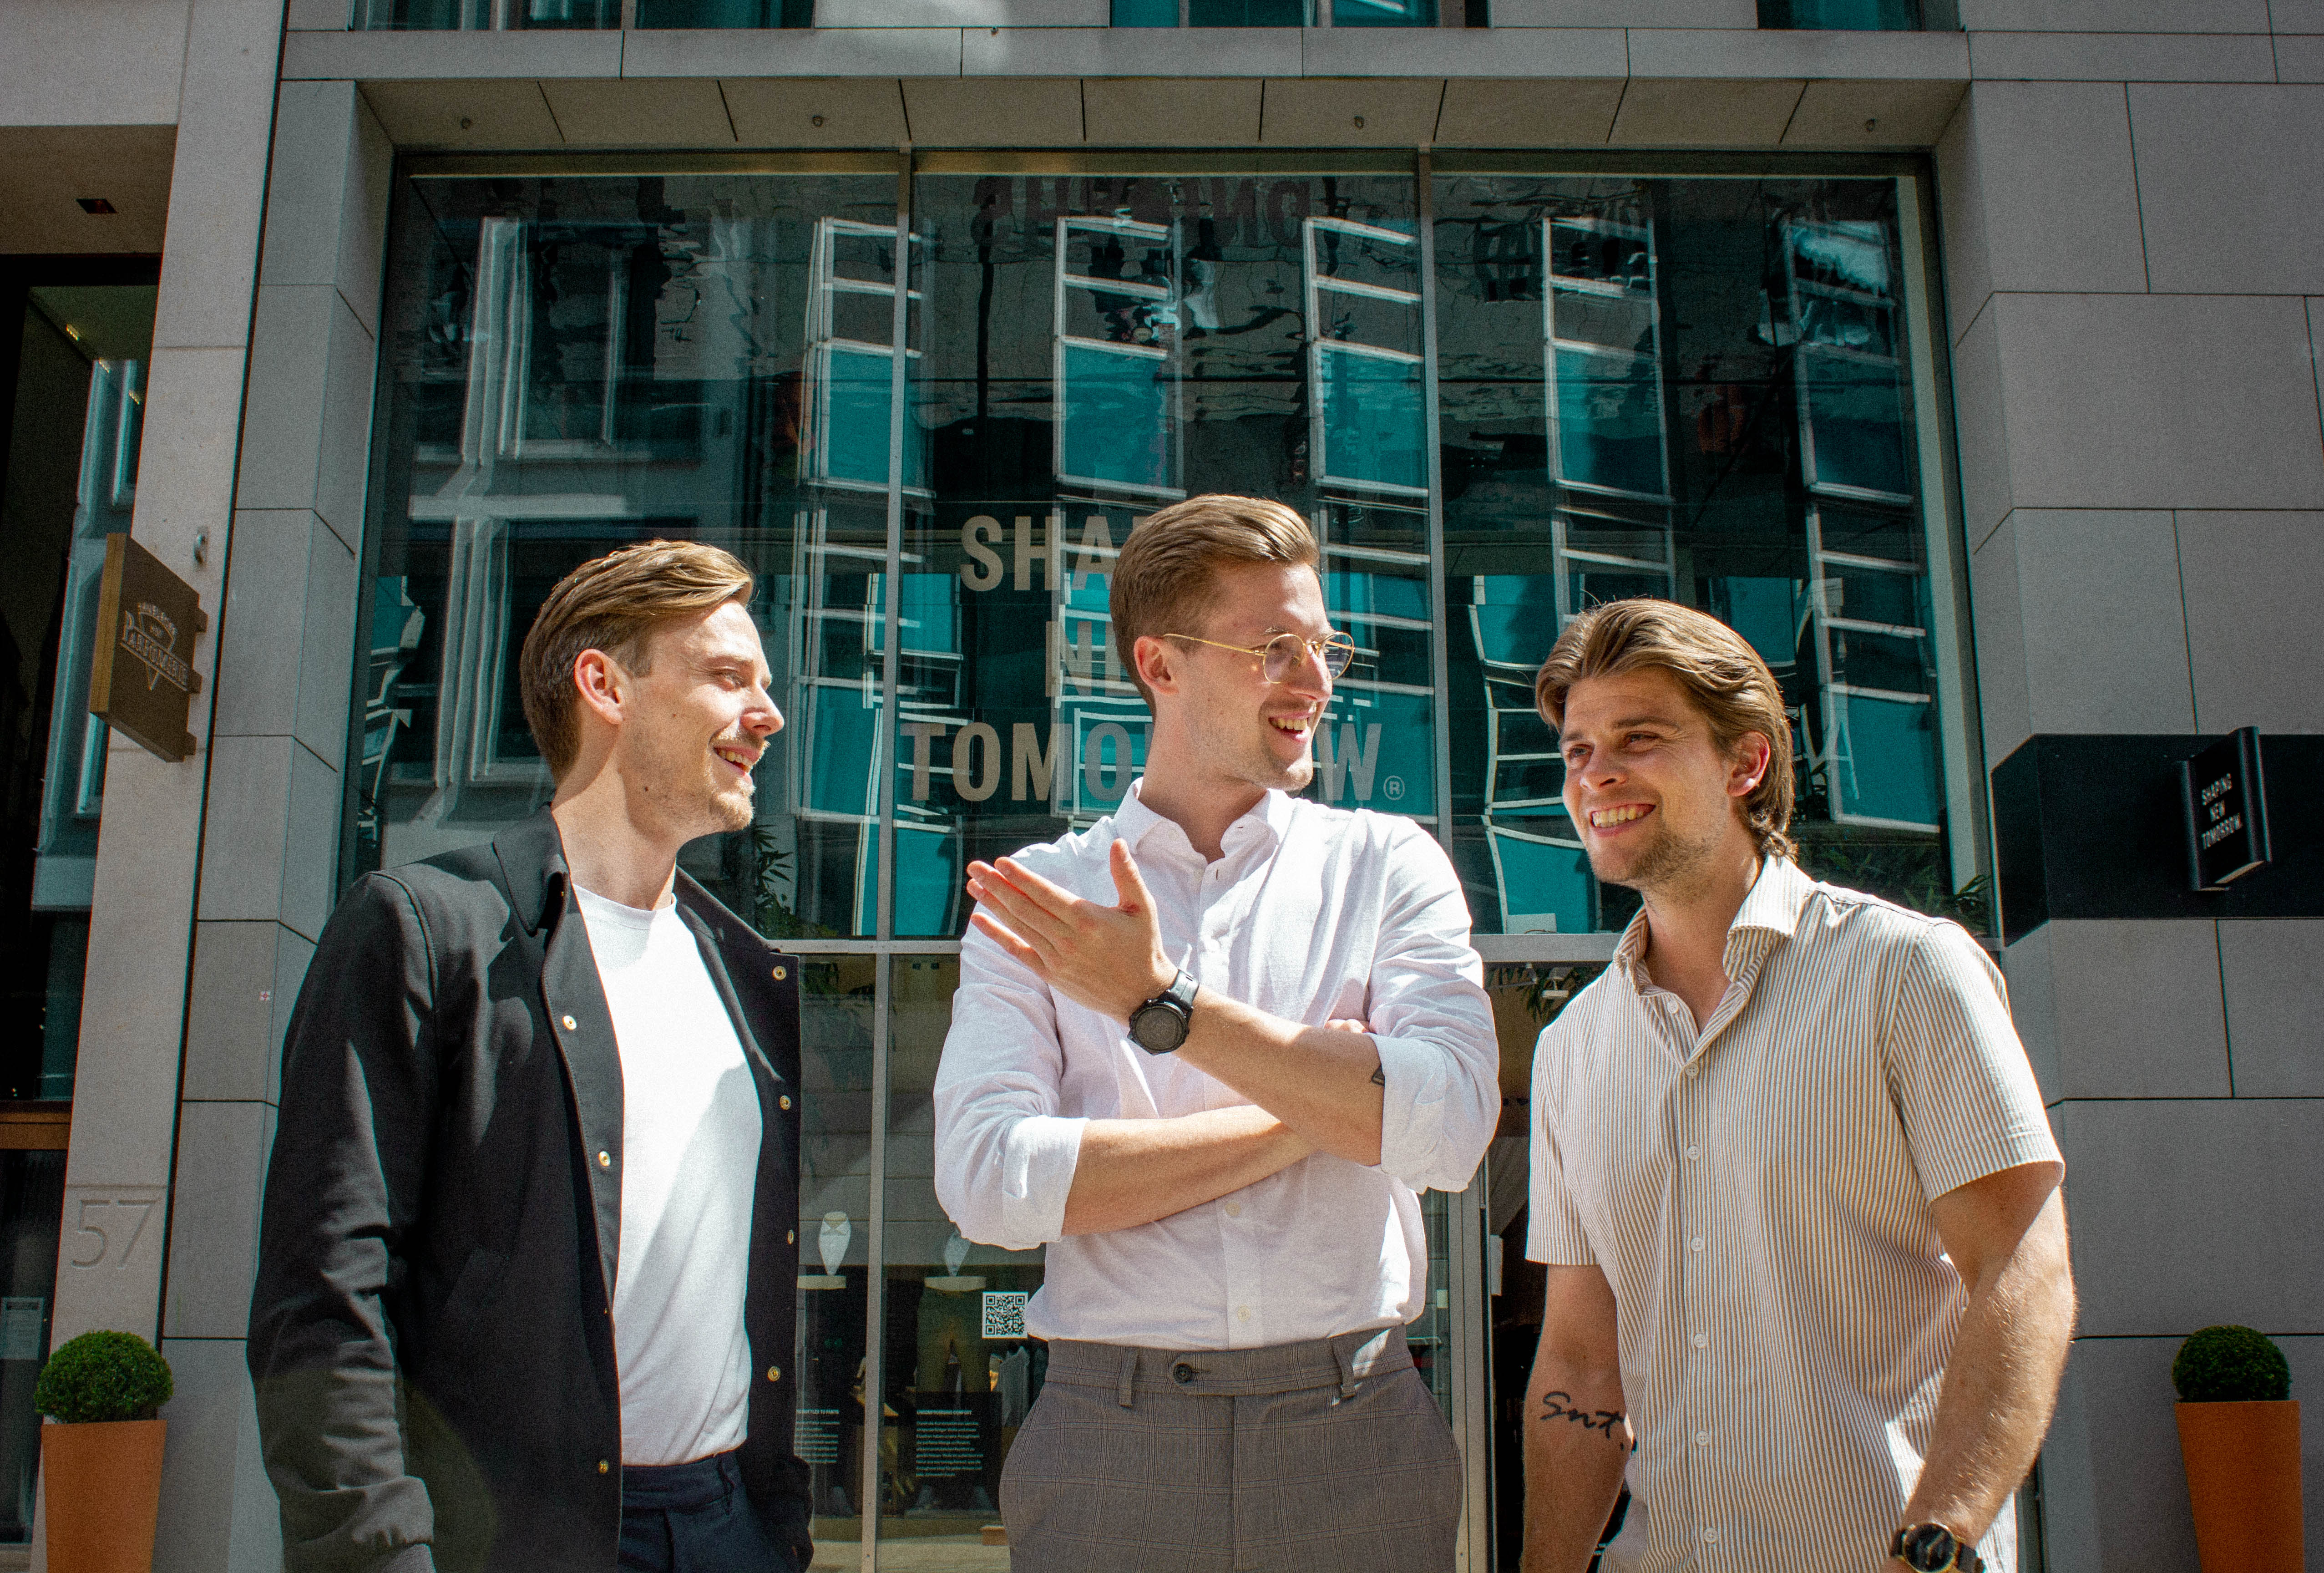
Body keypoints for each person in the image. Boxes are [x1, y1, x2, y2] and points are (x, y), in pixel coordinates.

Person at [933, 495, 1500, 1573]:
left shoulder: (1389, 865)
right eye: (1274, 648)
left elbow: (1452, 1131)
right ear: (1160, 664)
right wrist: (1323, 1104)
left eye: (1323, 647)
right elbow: (991, 1185)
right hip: (1112, 1438)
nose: (1317, 682)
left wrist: (1165, 1009)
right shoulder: (1039, 900)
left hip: (1358, 1431)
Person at [248, 540, 812, 1573]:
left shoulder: (751, 977)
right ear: (603, 684)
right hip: (514, 1536)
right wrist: (375, 1552)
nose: (767, 716)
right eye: (729, 677)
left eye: (764, 686)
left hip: (732, 1522)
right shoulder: (424, 930)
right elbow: (325, 1295)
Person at [1519, 598, 2075, 1573]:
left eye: (1638, 739)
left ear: (1746, 764)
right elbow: (1578, 1360)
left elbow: (2021, 1274)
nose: (1596, 773)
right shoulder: (1573, 1049)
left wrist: (1935, 1545)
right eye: (1576, 750)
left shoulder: (1905, 972)